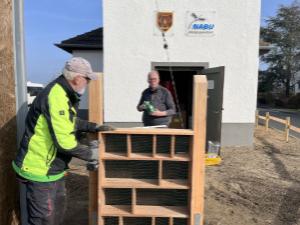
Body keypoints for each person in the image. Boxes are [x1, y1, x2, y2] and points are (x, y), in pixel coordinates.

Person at [12, 57, 114, 225]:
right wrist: (92, 154)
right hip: (39, 169)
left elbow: (68, 122)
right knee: (43, 220)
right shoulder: (56, 95)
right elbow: (64, 142)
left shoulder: (66, 94)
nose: (87, 84)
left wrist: (94, 127)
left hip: (53, 169)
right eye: (87, 79)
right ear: (78, 78)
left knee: (57, 213)